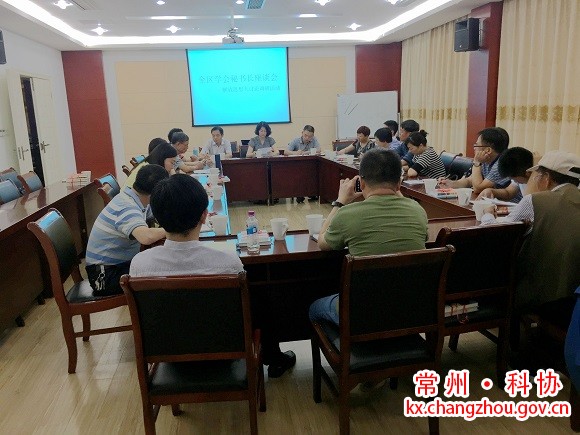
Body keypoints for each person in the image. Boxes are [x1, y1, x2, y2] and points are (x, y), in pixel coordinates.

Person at [130, 174, 296, 378]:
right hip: (226, 353)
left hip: (169, 354)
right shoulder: (228, 262)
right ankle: (273, 356)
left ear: (156, 219)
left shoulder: (139, 264)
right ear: (204, 215)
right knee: (261, 297)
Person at [309, 148, 428, 326]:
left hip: (362, 314)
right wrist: (396, 190)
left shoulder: (347, 213)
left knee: (314, 308)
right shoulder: (418, 211)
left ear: (362, 183)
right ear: (399, 183)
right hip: (410, 309)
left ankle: (344, 341)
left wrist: (340, 202)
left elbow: (322, 243)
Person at [480, 150, 580, 308]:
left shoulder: (535, 200)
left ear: (546, 178)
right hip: (574, 295)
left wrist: (487, 215)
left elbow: (496, 233)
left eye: (537, 175)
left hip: (540, 295)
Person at [85, 164, 168, 296]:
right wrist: (173, 229)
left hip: (116, 267)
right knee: (162, 273)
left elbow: (158, 215)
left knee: (162, 265)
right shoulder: (127, 206)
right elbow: (145, 237)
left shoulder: (136, 199)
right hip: (103, 277)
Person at [438, 127, 522, 203]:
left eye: (477, 145)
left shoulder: (502, 163)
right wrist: (452, 183)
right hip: (492, 202)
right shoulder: (486, 159)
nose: (474, 148)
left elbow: (478, 188)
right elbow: (470, 180)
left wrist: (476, 162)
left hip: (510, 206)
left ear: (488, 150)